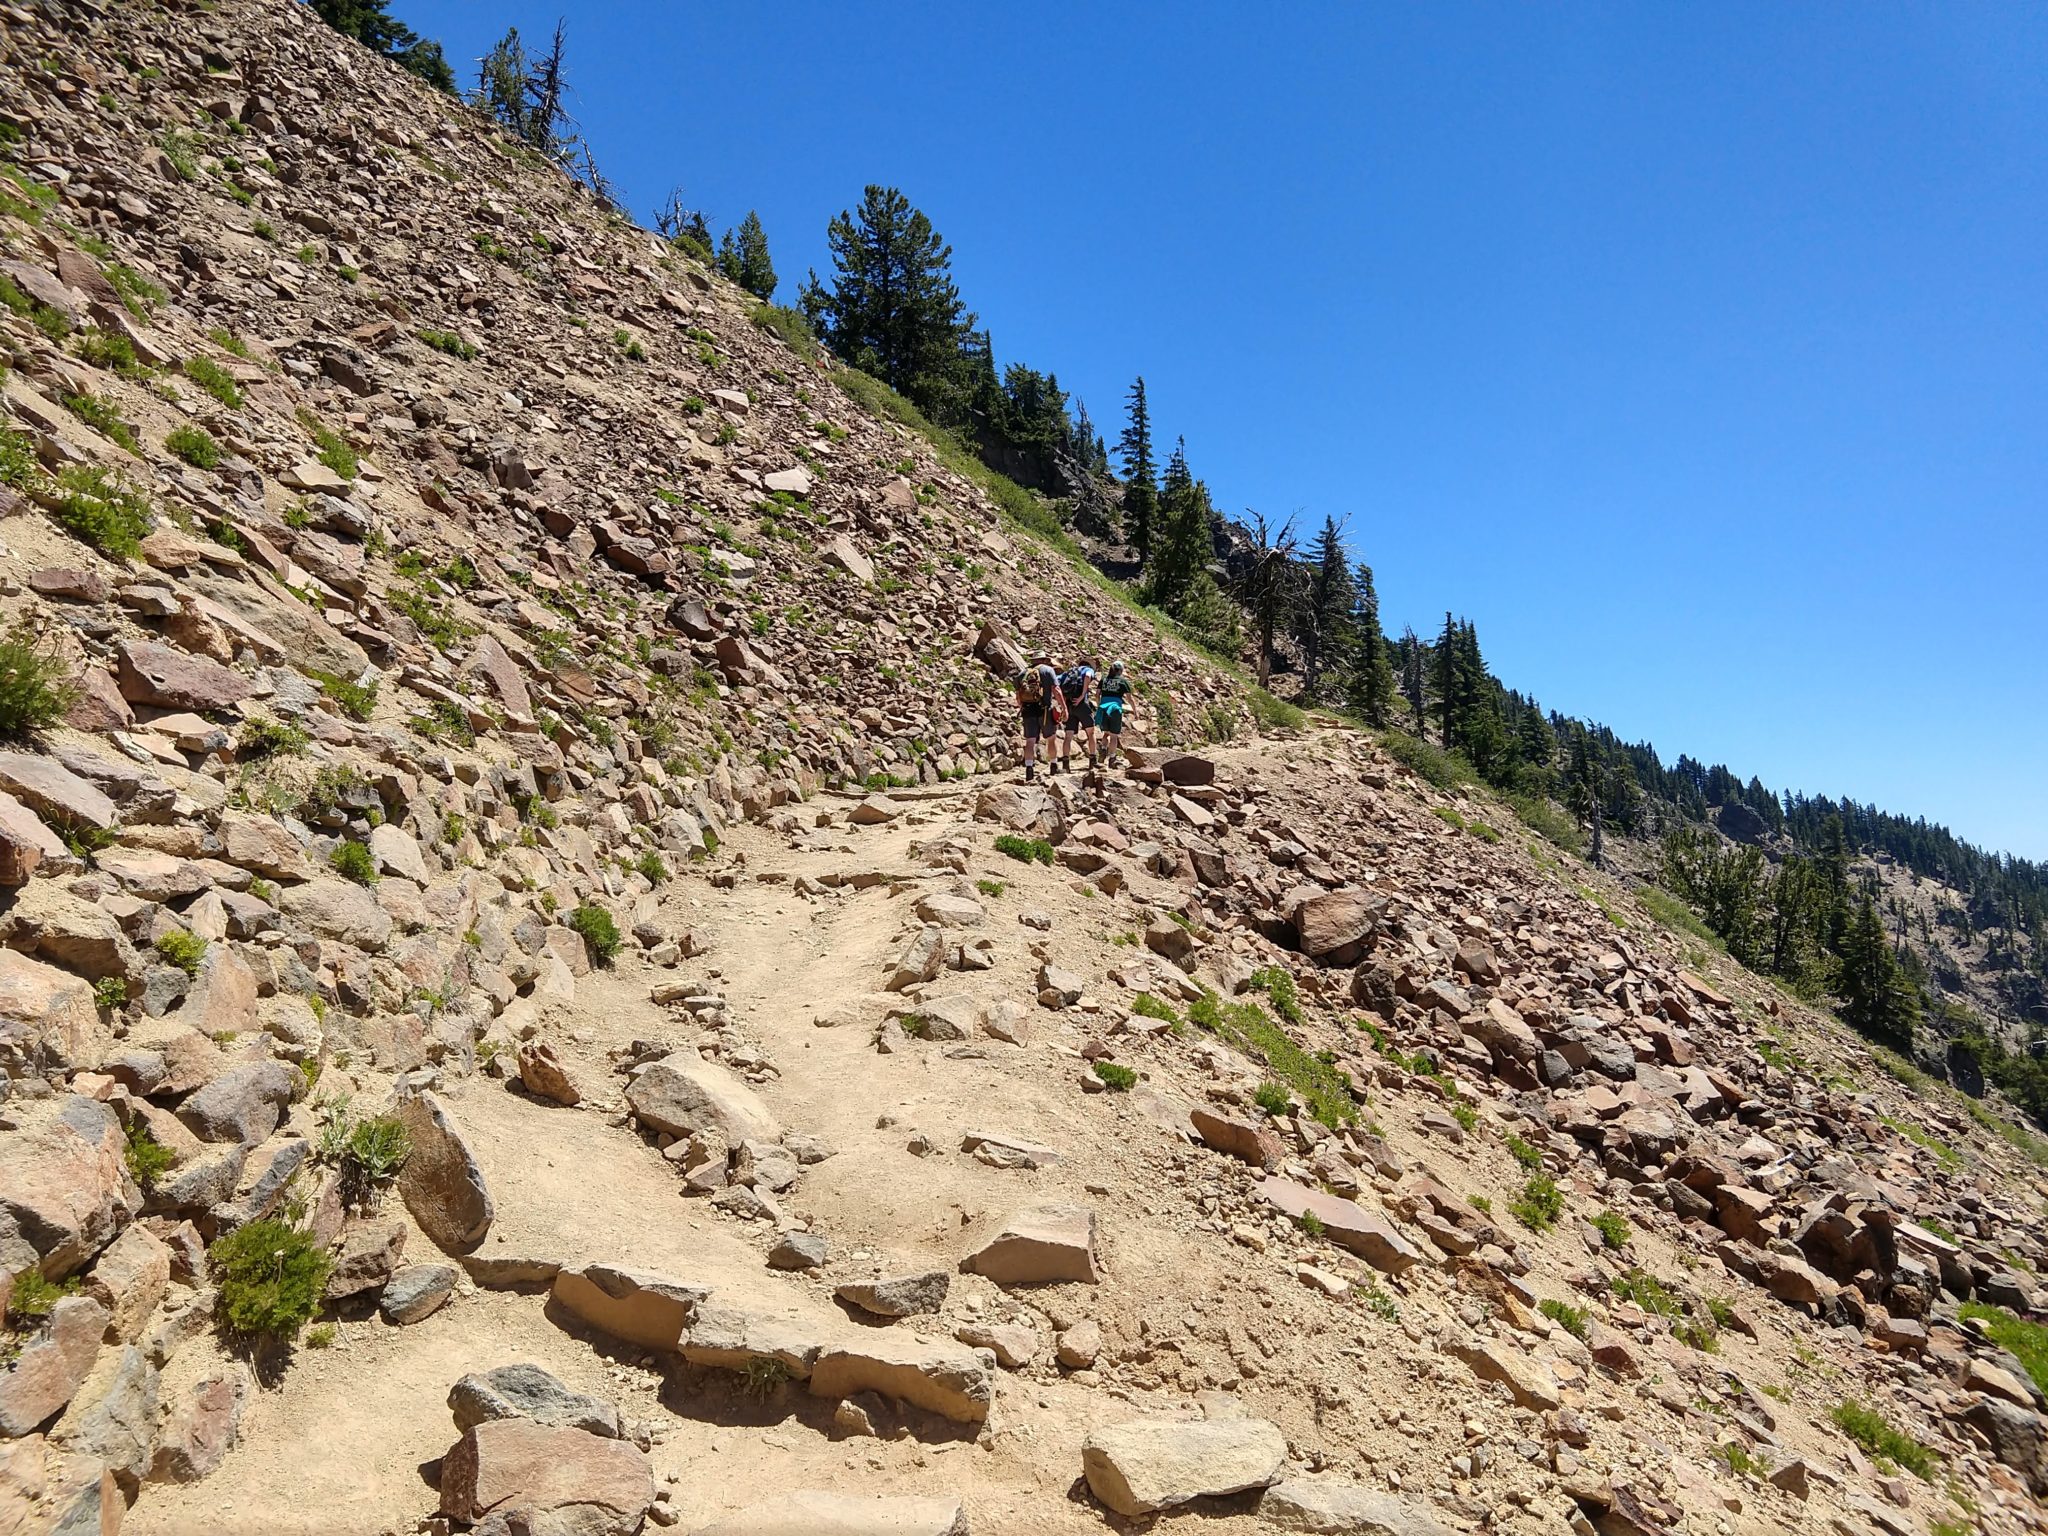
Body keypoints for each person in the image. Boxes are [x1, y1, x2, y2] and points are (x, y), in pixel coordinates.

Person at [1014, 650, 1061, 781]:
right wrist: (1063, 707)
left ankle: (1029, 769)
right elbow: (1056, 690)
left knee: (1030, 741)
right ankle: (1053, 765)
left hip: (1028, 710)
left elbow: (1018, 695)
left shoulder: (1023, 673)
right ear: (1044, 660)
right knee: (1051, 738)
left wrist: (1022, 707)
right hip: (1044, 709)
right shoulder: (1048, 670)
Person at [1055, 654, 1097, 772]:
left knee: (1068, 735)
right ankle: (1093, 760)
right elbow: (1088, 676)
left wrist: (1062, 702)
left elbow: (1056, 683)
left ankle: (1065, 764)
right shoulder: (1088, 670)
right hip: (1082, 704)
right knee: (1091, 732)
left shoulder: (1069, 672)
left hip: (1069, 705)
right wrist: (1082, 695)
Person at [1095, 661, 1132, 761]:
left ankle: (1103, 750)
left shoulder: (1104, 680)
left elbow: (1097, 694)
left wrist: (1099, 706)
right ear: (1120, 670)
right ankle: (1112, 758)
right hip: (1115, 709)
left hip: (1104, 708)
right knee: (1114, 736)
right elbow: (1129, 698)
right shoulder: (1122, 681)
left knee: (1106, 733)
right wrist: (1135, 711)